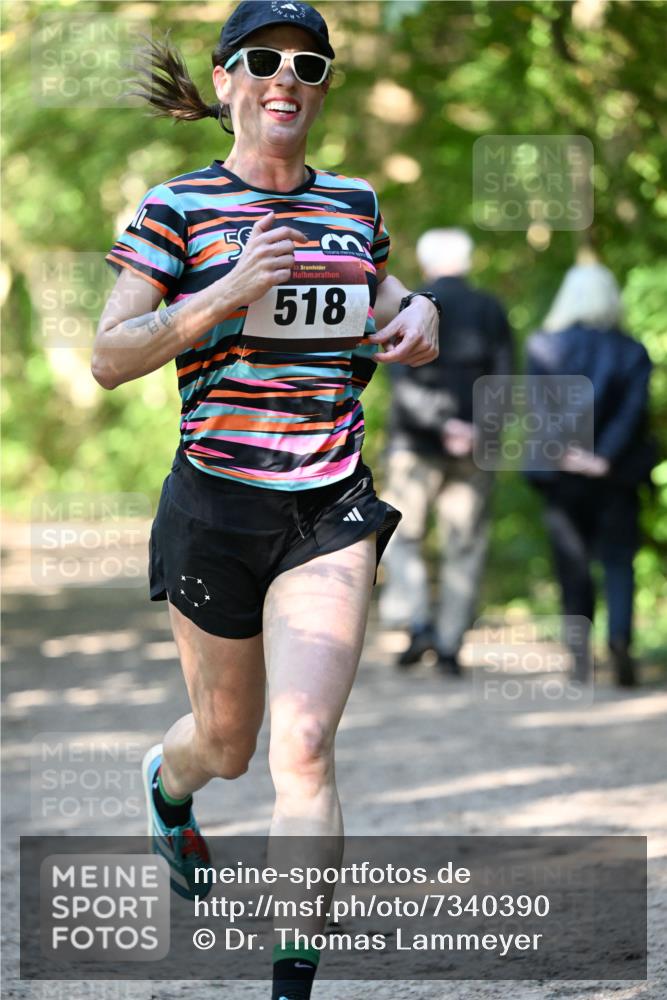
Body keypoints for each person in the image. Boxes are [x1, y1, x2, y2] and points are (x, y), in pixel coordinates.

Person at [91, 3, 439, 997]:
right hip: (215, 505)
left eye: (308, 63)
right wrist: (220, 293)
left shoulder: (354, 204)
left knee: (304, 744)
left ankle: (290, 985)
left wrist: (422, 312)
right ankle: (168, 787)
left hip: (326, 505)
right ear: (228, 80)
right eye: (263, 60)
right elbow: (110, 356)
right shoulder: (177, 208)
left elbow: (388, 298)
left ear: (322, 86)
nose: (285, 75)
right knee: (228, 745)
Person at [378, 228, 513, 675]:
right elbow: (506, 377)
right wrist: (476, 427)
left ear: (425, 260)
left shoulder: (412, 305)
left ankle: (419, 624)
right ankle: (451, 644)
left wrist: (441, 423)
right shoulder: (491, 308)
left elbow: (400, 377)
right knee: (466, 544)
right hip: (474, 448)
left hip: (414, 443)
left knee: (402, 534)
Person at [524, 262, 655, 687]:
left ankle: (579, 657)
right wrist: (603, 457)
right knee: (619, 561)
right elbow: (634, 413)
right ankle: (620, 638)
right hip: (615, 474)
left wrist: (565, 451)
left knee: (572, 564)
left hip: (560, 474)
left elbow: (538, 410)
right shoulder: (632, 350)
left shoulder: (543, 346)